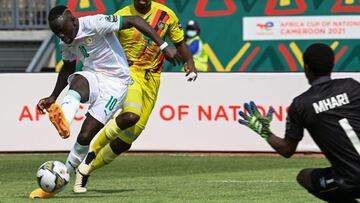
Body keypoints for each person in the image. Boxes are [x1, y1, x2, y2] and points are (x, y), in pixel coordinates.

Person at [29, 4, 181, 199]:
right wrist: (53, 97)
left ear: (73, 21)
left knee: (85, 137)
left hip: (116, 84)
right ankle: (64, 119)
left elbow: (135, 20)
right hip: (93, 76)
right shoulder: (66, 41)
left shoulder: (95, 22)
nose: (62, 37)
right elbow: (67, 67)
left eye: (63, 31)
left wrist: (163, 46)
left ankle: (64, 175)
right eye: (57, 33)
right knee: (77, 79)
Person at [74, 0, 197, 193]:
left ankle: (87, 169)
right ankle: (91, 152)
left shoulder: (166, 15)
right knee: (132, 114)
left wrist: (190, 62)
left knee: (127, 140)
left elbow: (180, 43)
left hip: (153, 79)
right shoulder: (123, 16)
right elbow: (104, 45)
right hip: (129, 73)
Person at [238, 43, 360, 203]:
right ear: (332, 64)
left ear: (306, 68)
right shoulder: (352, 86)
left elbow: (287, 150)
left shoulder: (301, 105)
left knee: (304, 177)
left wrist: (264, 131)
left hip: (351, 179)